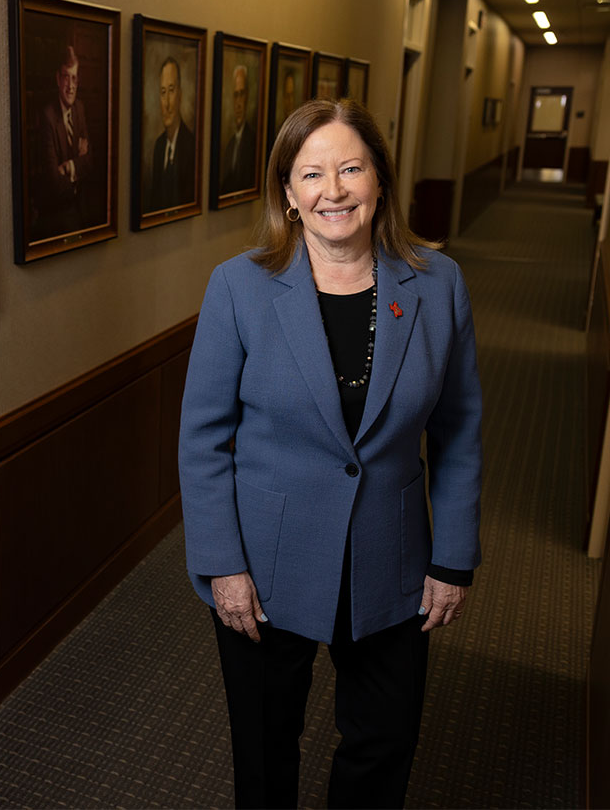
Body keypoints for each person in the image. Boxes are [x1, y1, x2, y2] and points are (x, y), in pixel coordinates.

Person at [179, 98, 482, 809]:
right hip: (265, 562)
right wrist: (223, 565)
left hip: (393, 556)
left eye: (350, 168)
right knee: (264, 747)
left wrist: (453, 557)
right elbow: (202, 438)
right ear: (288, 193)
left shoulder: (438, 285)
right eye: (311, 174)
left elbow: (460, 427)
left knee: (383, 745)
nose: (333, 190)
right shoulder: (239, 286)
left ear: (379, 178)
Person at [35, 44, 93, 240]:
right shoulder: (47, 116)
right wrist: (79, 168)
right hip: (56, 213)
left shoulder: (81, 109)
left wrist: (68, 166)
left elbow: (90, 162)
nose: (70, 85)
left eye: (74, 78)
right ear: (58, 79)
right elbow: (53, 179)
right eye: (66, 77)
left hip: (81, 207)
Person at [145, 55, 195, 212]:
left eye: (171, 91)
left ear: (180, 95)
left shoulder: (191, 145)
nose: (166, 103)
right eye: (163, 92)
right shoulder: (159, 147)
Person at [220, 63, 258, 197]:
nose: (238, 103)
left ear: (247, 96)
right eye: (235, 95)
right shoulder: (230, 146)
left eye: (241, 94)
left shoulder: (254, 141)